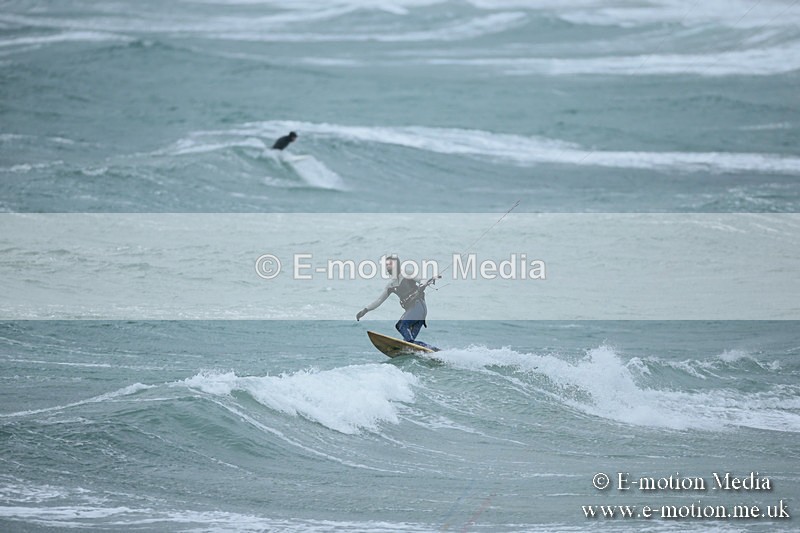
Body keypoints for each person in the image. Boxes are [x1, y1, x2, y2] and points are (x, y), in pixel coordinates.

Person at [356, 255, 434, 348]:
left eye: (390, 264)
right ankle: (432, 350)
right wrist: (365, 310)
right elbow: (379, 300)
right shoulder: (391, 285)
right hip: (414, 312)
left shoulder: (406, 274)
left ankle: (425, 348)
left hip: (418, 308)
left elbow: (422, 279)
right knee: (409, 343)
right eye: (386, 265)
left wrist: (422, 284)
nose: (388, 266)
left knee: (401, 326)